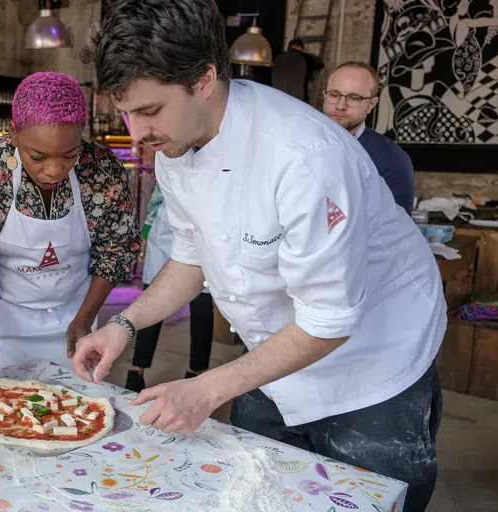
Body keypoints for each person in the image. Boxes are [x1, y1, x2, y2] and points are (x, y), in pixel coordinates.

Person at [75, 2, 445, 511]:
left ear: (204, 80)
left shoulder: (306, 158)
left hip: (372, 358)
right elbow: (191, 259)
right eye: (125, 111)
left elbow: (328, 321)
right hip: (274, 352)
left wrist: (207, 389)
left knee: (366, 498)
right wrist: (125, 324)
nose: (136, 133)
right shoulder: (176, 145)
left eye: (149, 111)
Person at [0, 72, 140, 372]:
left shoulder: (102, 169)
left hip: (77, 318)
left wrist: (86, 316)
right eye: (38, 157)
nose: (54, 170)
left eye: (70, 155)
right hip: (1, 325)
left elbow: (116, 251)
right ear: (13, 133)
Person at [127, 182, 214, 392]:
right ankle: (136, 370)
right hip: (164, 227)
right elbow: (158, 195)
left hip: (203, 228)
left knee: (201, 305)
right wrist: (145, 232)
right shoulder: (167, 163)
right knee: (151, 302)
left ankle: (195, 371)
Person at [322, 61, 415, 214]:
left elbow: (397, 225)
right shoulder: (296, 142)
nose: (340, 105)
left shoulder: (392, 159)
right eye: (334, 95)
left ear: (371, 104)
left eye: (353, 98)